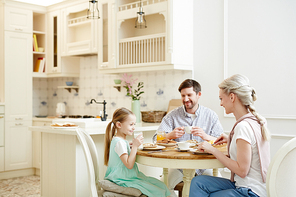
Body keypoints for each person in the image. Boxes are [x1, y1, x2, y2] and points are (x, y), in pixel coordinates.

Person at [189, 74, 270, 197]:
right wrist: (230, 139)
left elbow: (242, 171)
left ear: (232, 97)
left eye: (221, 98)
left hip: (251, 191)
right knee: (198, 182)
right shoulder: (255, 121)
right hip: (247, 185)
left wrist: (212, 150)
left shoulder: (243, 127)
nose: (221, 104)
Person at [155, 79, 224, 196]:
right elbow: (155, 139)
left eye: (189, 95)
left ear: (199, 95)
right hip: (179, 166)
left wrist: (205, 136)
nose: (186, 99)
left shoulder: (210, 115)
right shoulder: (172, 115)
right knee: (160, 189)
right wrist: (169, 135)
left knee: (221, 189)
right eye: (183, 95)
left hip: (204, 166)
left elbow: (222, 142)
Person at [104, 107, 170, 197]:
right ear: (119, 125)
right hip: (122, 178)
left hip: (126, 176)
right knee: (157, 190)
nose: (134, 128)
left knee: (160, 185)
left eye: (134, 124)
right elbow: (129, 165)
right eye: (131, 124)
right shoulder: (119, 142)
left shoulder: (120, 141)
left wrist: (130, 146)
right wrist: (134, 146)